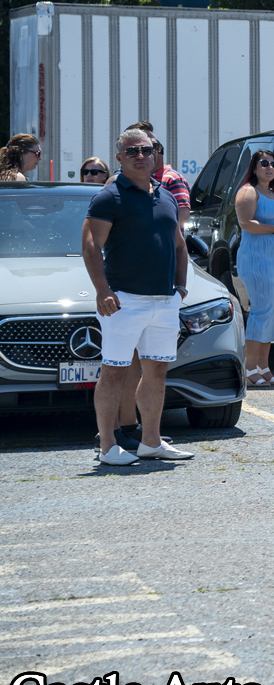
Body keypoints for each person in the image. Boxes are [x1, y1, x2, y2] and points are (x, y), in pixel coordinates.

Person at [82, 128, 194, 464]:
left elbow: (178, 244)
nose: (141, 156)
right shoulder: (109, 196)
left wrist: (181, 286)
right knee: (114, 371)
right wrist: (103, 291)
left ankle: (151, 442)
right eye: (132, 151)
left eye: (147, 150)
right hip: (124, 301)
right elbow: (91, 245)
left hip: (164, 300)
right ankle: (107, 447)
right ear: (119, 157)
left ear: (155, 154)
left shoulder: (166, 195)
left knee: (156, 371)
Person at [234, 149, 274, 388]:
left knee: (271, 313)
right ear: (254, 167)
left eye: (273, 164)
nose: (270, 168)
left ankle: (263, 366)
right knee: (260, 312)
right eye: (264, 163)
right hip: (257, 260)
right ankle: (250, 368)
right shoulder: (248, 191)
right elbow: (247, 224)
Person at [127, 122, 191, 230]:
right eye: (136, 149)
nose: (151, 151)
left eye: (154, 146)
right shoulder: (125, 180)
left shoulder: (172, 178)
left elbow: (183, 217)